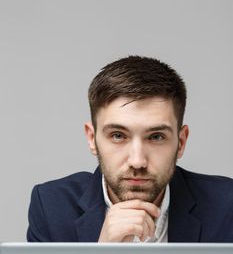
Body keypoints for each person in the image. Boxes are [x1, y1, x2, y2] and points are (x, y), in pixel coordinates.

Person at [27, 55, 233, 242]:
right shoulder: (51, 207)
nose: (137, 161)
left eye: (156, 137)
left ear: (181, 142)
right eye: (118, 136)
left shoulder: (226, 205)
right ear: (92, 138)